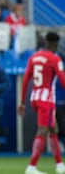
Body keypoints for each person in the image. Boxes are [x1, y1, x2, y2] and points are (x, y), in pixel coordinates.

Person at [18, 32, 65, 174]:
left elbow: (26, 79)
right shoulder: (55, 58)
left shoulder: (34, 57)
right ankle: (31, 167)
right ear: (55, 44)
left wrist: (22, 102)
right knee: (43, 130)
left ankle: (59, 165)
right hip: (47, 100)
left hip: (34, 98)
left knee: (53, 129)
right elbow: (63, 81)